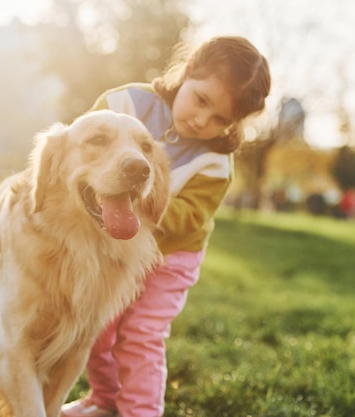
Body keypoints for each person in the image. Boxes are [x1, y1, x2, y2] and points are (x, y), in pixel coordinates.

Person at [61, 35, 271, 417]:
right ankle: (106, 401)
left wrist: (134, 201)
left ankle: (140, 412)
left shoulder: (215, 163)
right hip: (113, 248)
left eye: (221, 119)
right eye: (202, 100)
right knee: (99, 328)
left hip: (170, 258)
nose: (202, 120)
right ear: (188, 71)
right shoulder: (124, 103)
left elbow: (189, 216)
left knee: (141, 335)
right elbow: (76, 150)